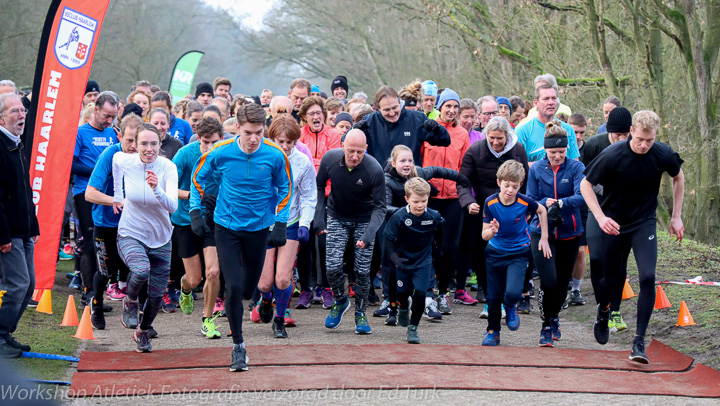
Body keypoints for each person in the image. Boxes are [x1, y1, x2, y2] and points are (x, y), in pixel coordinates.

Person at [190, 104, 292, 372]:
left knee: (249, 289)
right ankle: (238, 347)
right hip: (227, 227)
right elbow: (197, 179)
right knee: (233, 288)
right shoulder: (221, 152)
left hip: (259, 229)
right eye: (248, 132)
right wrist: (195, 212)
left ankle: (263, 299)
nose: (253, 139)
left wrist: (280, 223)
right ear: (237, 128)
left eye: (258, 132)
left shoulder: (275, 154)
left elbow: (285, 188)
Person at [581, 110, 684, 364]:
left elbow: (678, 177)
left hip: (643, 223)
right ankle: (604, 310)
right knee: (611, 279)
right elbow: (585, 185)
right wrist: (601, 217)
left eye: (649, 140)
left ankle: (639, 342)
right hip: (614, 223)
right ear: (631, 133)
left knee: (648, 277)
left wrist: (676, 216)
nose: (644, 145)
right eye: (639, 139)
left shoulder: (662, 153)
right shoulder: (612, 154)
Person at [381, 145, 468, 322]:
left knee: (426, 258)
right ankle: (390, 302)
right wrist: (408, 213)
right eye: (402, 161)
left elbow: (438, 170)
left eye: (410, 161)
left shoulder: (419, 173)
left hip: (420, 228)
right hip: (398, 228)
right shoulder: (387, 180)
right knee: (390, 263)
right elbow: (385, 207)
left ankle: (428, 300)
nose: (407, 164)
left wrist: (460, 178)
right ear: (393, 163)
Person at [114, 123, 178, 352]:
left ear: (160, 144)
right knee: (140, 270)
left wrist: (156, 188)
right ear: (136, 144)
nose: (148, 148)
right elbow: (116, 164)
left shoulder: (168, 168)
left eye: (153, 144)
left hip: (161, 238)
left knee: (157, 295)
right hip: (131, 233)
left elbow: (172, 207)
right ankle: (130, 300)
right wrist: (117, 196)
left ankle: (143, 331)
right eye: (143, 143)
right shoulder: (125, 160)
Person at [315, 129, 386, 334]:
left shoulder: (374, 169)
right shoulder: (330, 159)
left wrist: (369, 234)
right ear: (342, 146)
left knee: (363, 271)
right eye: (350, 151)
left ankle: (360, 313)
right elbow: (319, 187)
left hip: (365, 218)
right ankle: (340, 300)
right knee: (332, 267)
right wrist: (319, 219)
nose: (354, 157)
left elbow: (381, 207)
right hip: (337, 215)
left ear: (366, 149)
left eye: (359, 152)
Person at [457, 116, 529, 314]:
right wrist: (468, 202)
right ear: (486, 136)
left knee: (511, 253)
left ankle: (511, 297)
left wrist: (525, 210)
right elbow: (463, 182)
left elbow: (526, 182)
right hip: (483, 209)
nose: (496, 143)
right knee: (484, 254)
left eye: (500, 139)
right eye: (492, 138)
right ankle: (490, 298)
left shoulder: (518, 150)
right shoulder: (475, 151)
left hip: (512, 211)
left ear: (507, 136)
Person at [255, 116, 317, 338]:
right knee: (264, 283)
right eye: (280, 141)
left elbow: (309, 196)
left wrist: (305, 223)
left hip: (290, 222)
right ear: (271, 138)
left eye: (289, 142)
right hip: (264, 223)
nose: (285, 146)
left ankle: (279, 319)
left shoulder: (302, 162)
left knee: (282, 278)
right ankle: (265, 299)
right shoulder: (259, 158)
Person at [527, 121, 586, 347]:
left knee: (562, 283)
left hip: (570, 232)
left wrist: (561, 203)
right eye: (553, 152)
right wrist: (545, 203)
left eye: (561, 152)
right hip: (541, 232)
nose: (557, 156)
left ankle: (553, 320)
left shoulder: (576, 168)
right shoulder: (535, 169)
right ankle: (545, 323)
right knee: (549, 280)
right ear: (545, 151)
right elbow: (530, 199)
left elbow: (582, 196)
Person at [481, 160, 550, 346]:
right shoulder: (490, 202)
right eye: (506, 185)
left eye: (515, 186)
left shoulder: (524, 201)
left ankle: (511, 306)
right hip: (495, 253)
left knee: (512, 292)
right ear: (499, 183)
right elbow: (484, 235)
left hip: (519, 253)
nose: (510, 190)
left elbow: (542, 210)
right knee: (493, 297)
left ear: (520, 185)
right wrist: (493, 231)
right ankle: (493, 332)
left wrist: (544, 237)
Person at [85, 113, 143, 330]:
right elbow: (90, 193)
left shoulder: (144, 156)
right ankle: (97, 304)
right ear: (120, 135)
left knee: (135, 269)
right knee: (106, 271)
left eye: (136, 141)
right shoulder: (110, 155)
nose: (132, 146)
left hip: (133, 224)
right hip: (106, 223)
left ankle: (140, 316)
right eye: (128, 140)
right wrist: (115, 201)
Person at [170, 117, 225, 338]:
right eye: (205, 142)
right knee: (194, 279)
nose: (209, 147)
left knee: (213, 271)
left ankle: (207, 319)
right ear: (197, 138)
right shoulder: (185, 154)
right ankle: (184, 290)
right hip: (185, 219)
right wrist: (198, 197)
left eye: (214, 142)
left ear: (221, 138)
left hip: (214, 220)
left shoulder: (226, 155)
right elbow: (168, 188)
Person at [581, 106, 632, 330]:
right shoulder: (594, 145)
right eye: (616, 135)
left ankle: (616, 311)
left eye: (625, 135)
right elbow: (583, 178)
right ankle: (602, 306)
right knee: (598, 259)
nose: (621, 139)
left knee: (619, 264)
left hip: (623, 213)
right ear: (608, 131)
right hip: (597, 208)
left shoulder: (637, 147)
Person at [421, 89, 473, 313]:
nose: (451, 110)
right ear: (439, 107)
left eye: (455, 107)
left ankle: (444, 293)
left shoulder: (462, 134)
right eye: (448, 106)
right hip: (427, 196)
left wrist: (464, 194)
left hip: (452, 198)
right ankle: (426, 292)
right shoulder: (427, 128)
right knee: (425, 246)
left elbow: (465, 168)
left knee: (449, 248)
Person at [0, 93, 39, 358]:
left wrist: (33, 224)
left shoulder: (18, 144)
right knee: (17, 284)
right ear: (1, 117)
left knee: (29, 283)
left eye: (22, 110)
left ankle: (5, 333)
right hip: (7, 232)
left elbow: (25, 190)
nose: (21, 115)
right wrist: (3, 235)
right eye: (14, 111)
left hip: (23, 229)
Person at [72, 92, 119, 306]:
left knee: (106, 245)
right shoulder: (80, 133)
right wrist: (97, 171)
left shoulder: (113, 134)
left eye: (113, 116)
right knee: (90, 243)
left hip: (108, 196)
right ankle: (88, 292)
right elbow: (71, 165)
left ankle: (99, 294)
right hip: (84, 192)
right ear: (96, 109)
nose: (109, 120)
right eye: (106, 115)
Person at [384, 178, 444, 344]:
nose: (420, 205)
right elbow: (388, 241)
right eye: (416, 201)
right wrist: (395, 259)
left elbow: (440, 233)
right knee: (402, 293)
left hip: (423, 262)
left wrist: (438, 251)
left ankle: (413, 328)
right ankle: (403, 306)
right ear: (407, 199)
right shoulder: (399, 217)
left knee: (420, 293)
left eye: (424, 201)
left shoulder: (433, 216)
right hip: (403, 261)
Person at [355, 86, 450, 166]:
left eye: (395, 107)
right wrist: (354, 131)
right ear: (378, 108)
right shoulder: (369, 122)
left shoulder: (416, 119)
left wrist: (437, 129)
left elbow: (445, 141)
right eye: (387, 110)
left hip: (411, 182)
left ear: (400, 103)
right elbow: (346, 146)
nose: (392, 113)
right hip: (382, 181)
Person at [515, 84, 580, 163]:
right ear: (536, 103)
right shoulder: (523, 131)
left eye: (554, 98)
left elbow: (576, 165)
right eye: (546, 99)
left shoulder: (568, 130)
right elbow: (517, 166)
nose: (551, 102)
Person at [567, 113, 589, 306]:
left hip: (583, 205)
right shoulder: (559, 148)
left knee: (581, 251)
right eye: (574, 132)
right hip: (561, 203)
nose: (578, 136)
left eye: (581, 132)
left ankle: (576, 289)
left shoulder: (590, 149)